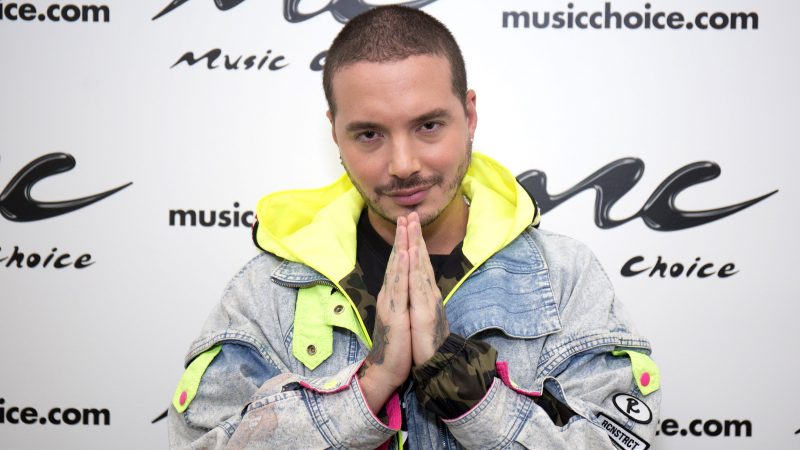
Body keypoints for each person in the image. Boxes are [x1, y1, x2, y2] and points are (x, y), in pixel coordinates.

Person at [168, 5, 661, 449]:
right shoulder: (270, 288)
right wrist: (368, 389)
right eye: (369, 134)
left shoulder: (562, 277)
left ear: (469, 115)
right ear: (335, 132)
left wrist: (460, 383)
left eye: (428, 126)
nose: (403, 164)